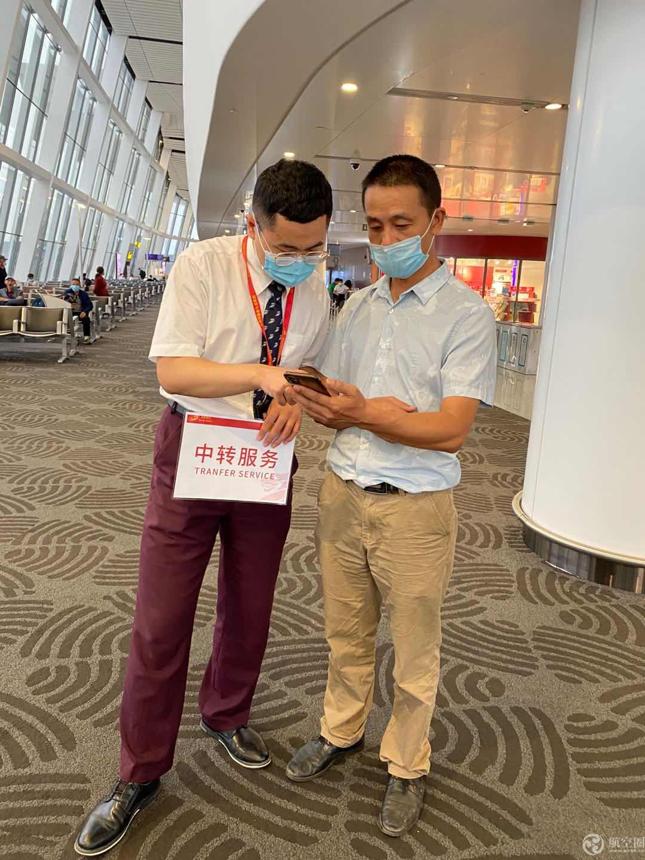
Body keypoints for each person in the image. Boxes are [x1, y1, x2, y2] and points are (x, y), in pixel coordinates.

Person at [74, 158, 333, 858]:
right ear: (252, 225)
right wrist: (259, 374)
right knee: (161, 619)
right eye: (287, 248)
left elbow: (307, 370)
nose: (302, 262)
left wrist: (294, 398)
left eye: (314, 248)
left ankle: (226, 712)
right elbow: (173, 368)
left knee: (251, 605)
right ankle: (139, 772)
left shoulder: (314, 287)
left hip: (265, 456)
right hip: (194, 447)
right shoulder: (203, 267)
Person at [286, 154, 497, 838]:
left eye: (401, 225)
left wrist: (364, 414)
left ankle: (407, 762)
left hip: (414, 508)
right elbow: (340, 398)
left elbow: (451, 429)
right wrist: (322, 400)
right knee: (344, 631)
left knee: (413, 647)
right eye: (375, 225)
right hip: (343, 492)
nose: (385, 239)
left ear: (436, 220)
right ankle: (340, 730)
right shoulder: (360, 307)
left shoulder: (466, 315)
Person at [64, 279, 93, 343]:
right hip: (70, 312)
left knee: (86, 319)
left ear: (79, 285)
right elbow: (63, 302)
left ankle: (86, 336)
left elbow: (89, 305)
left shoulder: (84, 294)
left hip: (80, 312)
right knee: (63, 318)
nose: (75, 286)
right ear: (71, 285)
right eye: (73, 284)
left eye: (77, 284)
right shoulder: (67, 293)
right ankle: (67, 336)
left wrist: (85, 311)